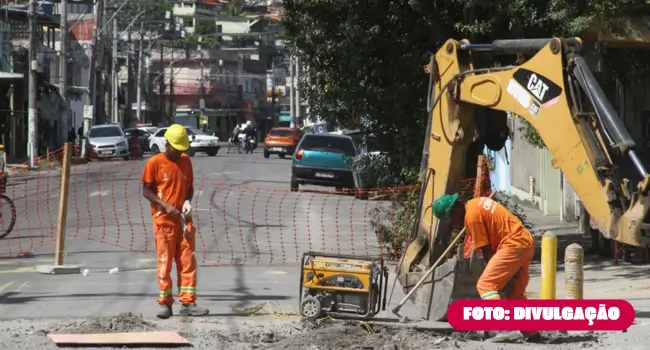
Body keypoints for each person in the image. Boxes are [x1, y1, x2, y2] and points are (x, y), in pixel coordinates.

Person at [432, 194, 542, 343]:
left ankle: (504, 329)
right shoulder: (475, 204)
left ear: (455, 210)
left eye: (448, 218)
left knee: (486, 285)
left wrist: (490, 274)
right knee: (514, 293)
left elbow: (486, 251)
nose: (451, 222)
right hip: (524, 243)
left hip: (513, 245)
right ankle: (533, 334)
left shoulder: (471, 217)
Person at [141, 124, 209, 319]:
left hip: (184, 221)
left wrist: (188, 200)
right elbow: (146, 191)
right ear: (167, 144)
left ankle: (188, 303)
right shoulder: (154, 163)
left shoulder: (186, 162)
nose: (180, 153)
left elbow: (189, 187)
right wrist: (165, 206)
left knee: (187, 262)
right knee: (165, 263)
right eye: (176, 149)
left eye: (182, 149)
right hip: (164, 222)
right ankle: (166, 303)